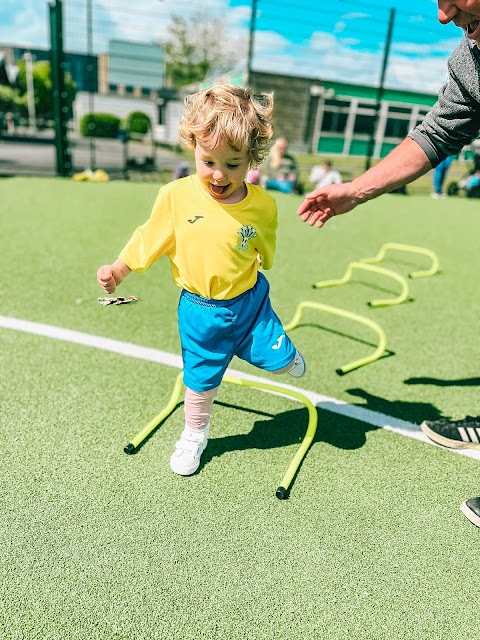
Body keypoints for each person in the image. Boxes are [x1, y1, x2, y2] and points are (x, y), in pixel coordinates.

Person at [296, 0, 480, 528]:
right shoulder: (472, 56)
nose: (443, 16)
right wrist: (355, 190)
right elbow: (438, 132)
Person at [97, 83, 306, 477]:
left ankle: (283, 355)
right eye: (209, 161)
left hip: (249, 303)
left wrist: (268, 260)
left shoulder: (263, 203)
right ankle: (195, 434)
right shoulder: (176, 196)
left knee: (279, 363)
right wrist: (120, 269)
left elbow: (266, 242)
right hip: (200, 311)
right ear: (193, 145)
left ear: (252, 159)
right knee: (201, 381)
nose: (219, 174)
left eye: (233, 163)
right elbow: (150, 236)